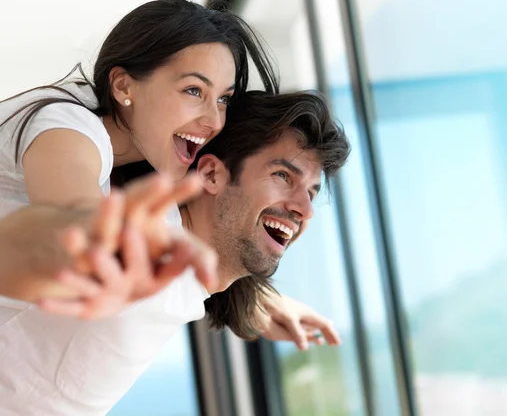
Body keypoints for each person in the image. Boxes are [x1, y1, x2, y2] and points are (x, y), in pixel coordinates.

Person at [0, 90, 351, 415]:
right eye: (282, 176)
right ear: (211, 173)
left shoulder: (181, 284)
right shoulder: (133, 253)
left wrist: (259, 302)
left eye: (312, 191)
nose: (305, 208)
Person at [0, 0, 278, 298]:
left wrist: (262, 304)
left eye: (223, 99)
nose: (214, 120)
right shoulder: (68, 130)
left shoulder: (131, 158)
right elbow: (74, 214)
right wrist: (100, 243)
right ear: (123, 86)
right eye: (194, 90)